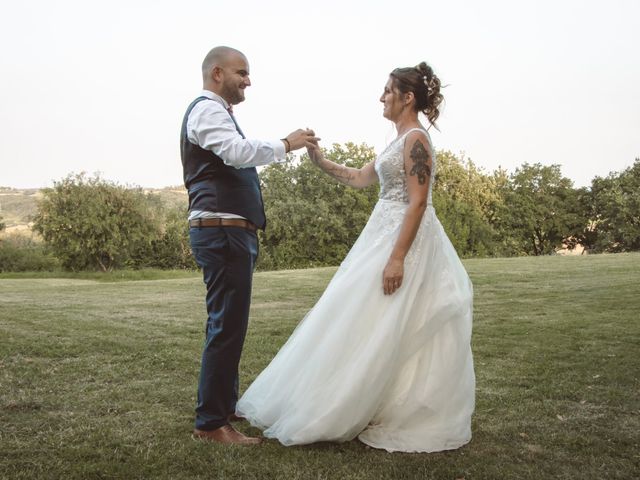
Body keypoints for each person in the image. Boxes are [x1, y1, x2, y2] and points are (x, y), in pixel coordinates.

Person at [236, 62, 475, 453]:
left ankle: (387, 404)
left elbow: (417, 203)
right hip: (381, 234)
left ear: (407, 97)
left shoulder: (417, 141)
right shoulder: (397, 141)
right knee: (363, 317)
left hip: (404, 241)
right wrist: (319, 160)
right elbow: (363, 177)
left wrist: (397, 258)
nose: (381, 97)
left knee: (392, 319)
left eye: (387, 90)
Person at [181, 46, 318, 445]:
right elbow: (238, 153)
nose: (248, 80)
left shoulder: (219, 113)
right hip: (221, 231)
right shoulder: (207, 110)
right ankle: (210, 424)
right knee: (227, 325)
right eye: (242, 72)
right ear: (217, 73)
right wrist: (286, 144)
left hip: (229, 232)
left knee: (229, 323)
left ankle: (222, 407)